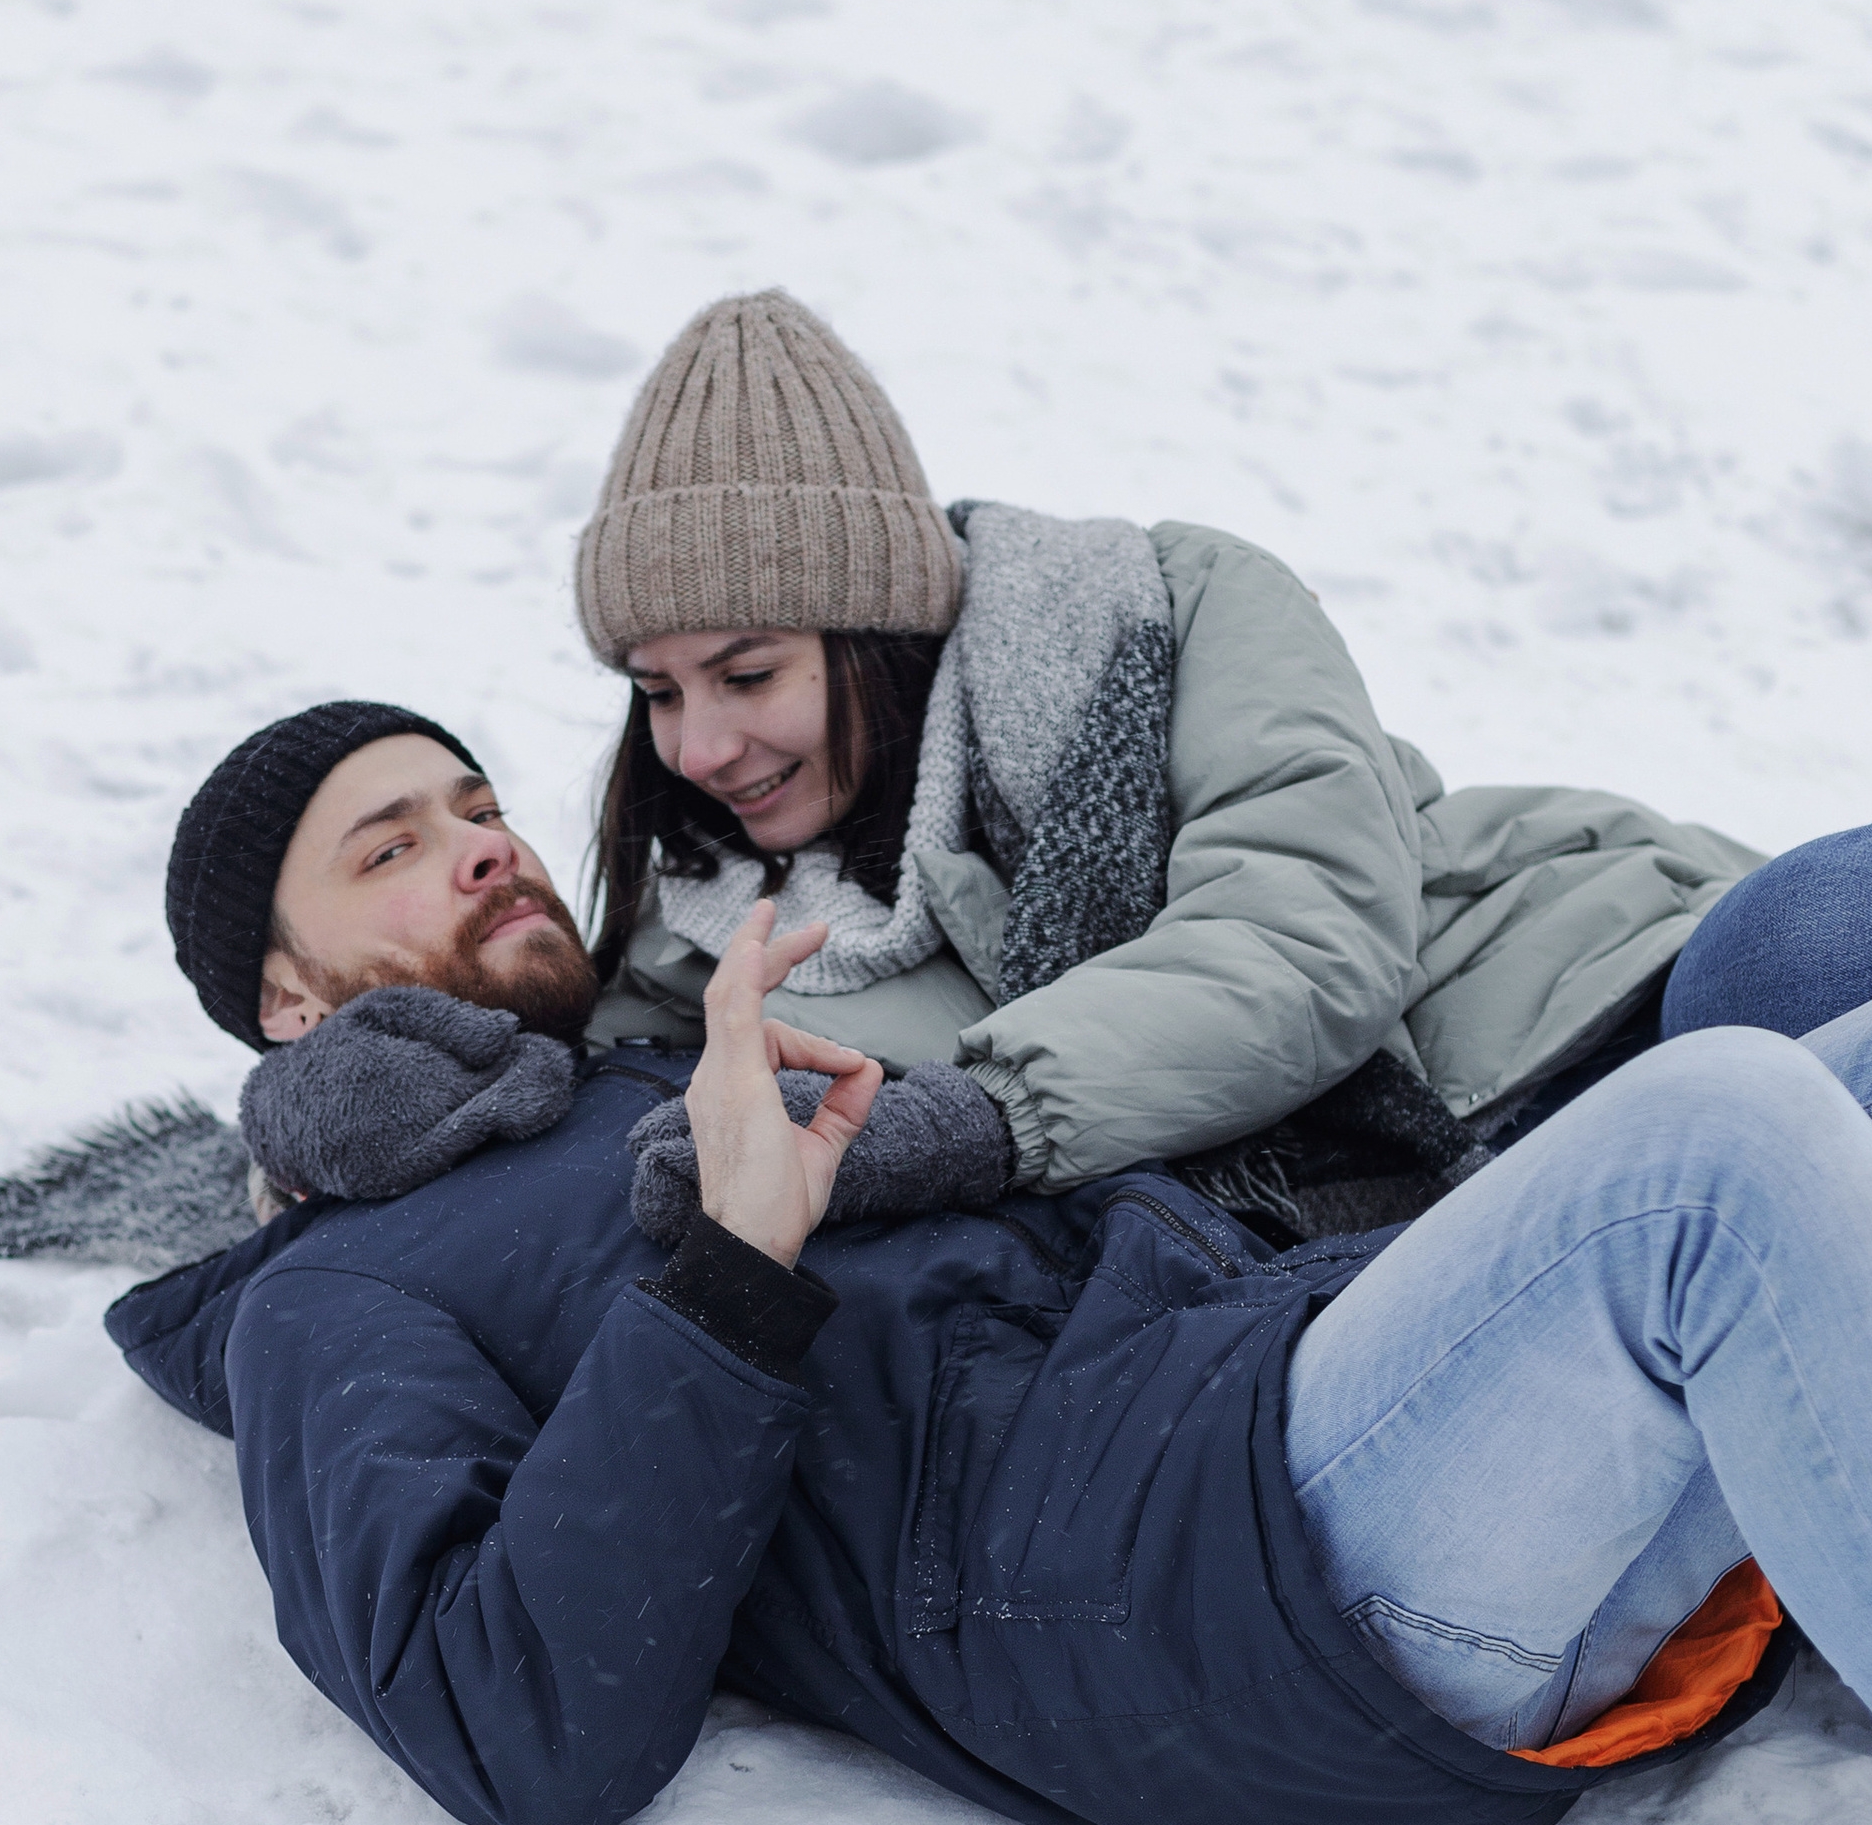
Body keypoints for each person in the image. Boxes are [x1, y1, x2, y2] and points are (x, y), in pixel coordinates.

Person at [115, 699, 1872, 1825]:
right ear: (286, 1000)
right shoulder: (334, 1289)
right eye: (388, 849)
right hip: (1159, 1588)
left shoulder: (668, 1063)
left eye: (474, 804)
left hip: (1285, 1404)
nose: (481, 843)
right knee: (1715, 1157)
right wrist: (730, 1270)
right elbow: (509, 1719)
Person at [576, 287, 1765, 1235]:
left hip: (1597, 995)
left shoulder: (1158, 611)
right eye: (657, 692)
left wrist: (987, 1116)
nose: (700, 747)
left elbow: (1299, 941)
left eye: (747, 675)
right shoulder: (701, 931)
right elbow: (570, 1081)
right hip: (1456, 1241)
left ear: (881, 634)